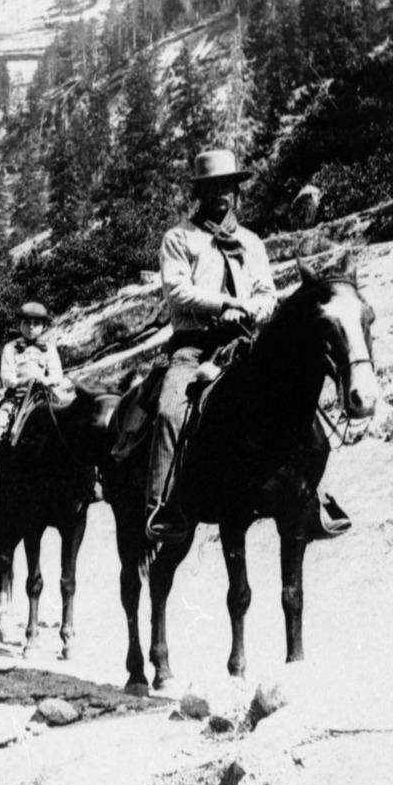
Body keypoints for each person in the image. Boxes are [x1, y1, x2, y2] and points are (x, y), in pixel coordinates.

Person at [146, 148, 278, 542]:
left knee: (290, 393)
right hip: (194, 346)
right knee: (171, 412)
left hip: (244, 340)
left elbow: (268, 292)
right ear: (200, 191)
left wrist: (252, 309)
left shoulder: (251, 241)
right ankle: (162, 506)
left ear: (236, 190)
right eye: (212, 186)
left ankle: (307, 492)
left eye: (227, 185)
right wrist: (225, 303)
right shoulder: (179, 238)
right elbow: (178, 292)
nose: (221, 193)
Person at [0, 301, 70, 504]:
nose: (31, 327)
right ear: (20, 324)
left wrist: (43, 381)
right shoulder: (10, 348)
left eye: (36, 323)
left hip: (44, 395)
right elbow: (6, 376)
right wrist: (19, 382)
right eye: (27, 323)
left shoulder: (49, 349)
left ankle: (88, 480)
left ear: (43, 326)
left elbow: (57, 374)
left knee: (70, 422)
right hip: (17, 397)